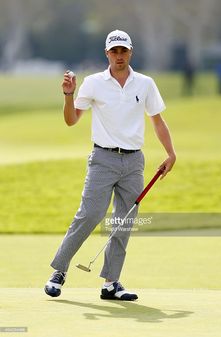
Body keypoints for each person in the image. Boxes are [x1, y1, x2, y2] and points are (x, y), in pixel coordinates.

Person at [44, 29, 176, 301]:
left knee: (123, 222)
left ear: (131, 52)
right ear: (107, 53)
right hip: (103, 159)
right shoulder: (93, 83)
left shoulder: (145, 83)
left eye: (123, 51)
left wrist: (170, 153)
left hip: (133, 161)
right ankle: (59, 270)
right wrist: (68, 96)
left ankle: (110, 283)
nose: (119, 56)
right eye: (114, 51)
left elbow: (157, 121)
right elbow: (71, 120)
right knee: (90, 214)